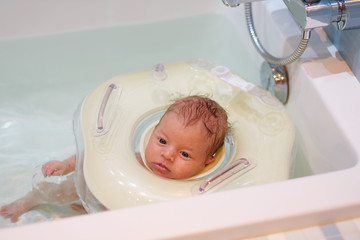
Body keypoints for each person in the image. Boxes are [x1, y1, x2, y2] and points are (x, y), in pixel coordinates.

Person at [0, 95, 229, 222]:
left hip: (114, 215)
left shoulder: (194, 190)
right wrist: (66, 165)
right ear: (152, 132)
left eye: (185, 154)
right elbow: (94, 157)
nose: (167, 155)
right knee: (60, 191)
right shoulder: (135, 159)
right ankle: (28, 200)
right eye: (161, 141)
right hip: (95, 193)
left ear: (208, 161)